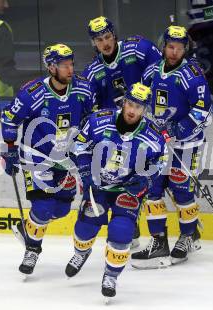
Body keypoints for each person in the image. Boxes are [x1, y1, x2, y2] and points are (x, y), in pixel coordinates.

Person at [64, 83, 167, 299]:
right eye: (130, 104)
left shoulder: (153, 135)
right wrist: (84, 169)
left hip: (127, 192)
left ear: (145, 110)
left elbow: (160, 163)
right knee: (84, 229)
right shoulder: (98, 120)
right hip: (98, 187)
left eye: (138, 107)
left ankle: (111, 275)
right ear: (124, 102)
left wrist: (145, 180)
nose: (132, 110)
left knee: (121, 232)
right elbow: (79, 146)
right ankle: (81, 253)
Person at [0, 44, 94, 275]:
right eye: (64, 65)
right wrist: (11, 151)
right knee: (43, 208)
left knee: (61, 210)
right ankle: (32, 249)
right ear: (51, 67)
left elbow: (91, 119)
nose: (70, 69)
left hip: (66, 159)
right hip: (37, 157)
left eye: (71, 64)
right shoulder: (32, 93)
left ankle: (27, 229)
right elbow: (10, 119)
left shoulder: (83, 89)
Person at [131, 25, 213, 269]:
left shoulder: (193, 74)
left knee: (182, 192)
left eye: (179, 47)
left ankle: (188, 236)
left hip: (186, 146)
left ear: (185, 48)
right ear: (163, 46)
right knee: (152, 191)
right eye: (170, 46)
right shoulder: (151, 71)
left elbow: (203, 112)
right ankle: (159, 242)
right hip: (156, 145)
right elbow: (140, 101)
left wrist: (177, 130)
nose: (174, 51)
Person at [82, 16, 162, 110]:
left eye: (107, 37)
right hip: (115, 122)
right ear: (93, 43)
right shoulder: (91, 72)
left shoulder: (138, 48)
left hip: (147, 114)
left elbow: (164, 73)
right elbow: (87, 108)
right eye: (99, 40)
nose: (105, 43)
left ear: (114, 35)